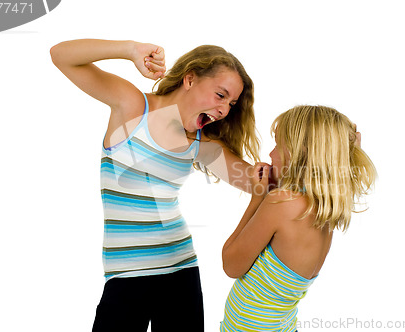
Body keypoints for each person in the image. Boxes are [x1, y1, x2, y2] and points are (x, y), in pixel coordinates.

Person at [50, 39, 260, 332]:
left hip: (181, 271)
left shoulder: (200, 143)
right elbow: (61, 55)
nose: (224, 109)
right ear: (190, 78)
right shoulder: (133, 106)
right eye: (220, 95)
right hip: (126, 276)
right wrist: (129, 50)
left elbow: (258, 184)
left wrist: (329, 149)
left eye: (231, 103)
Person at [221, 105, 377, 331]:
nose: (271, 154)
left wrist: (257, 198)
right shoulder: (326, 206)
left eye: (277, 144)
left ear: (298, 152)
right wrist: (349, 145)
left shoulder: (281, 203)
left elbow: (231, 265)